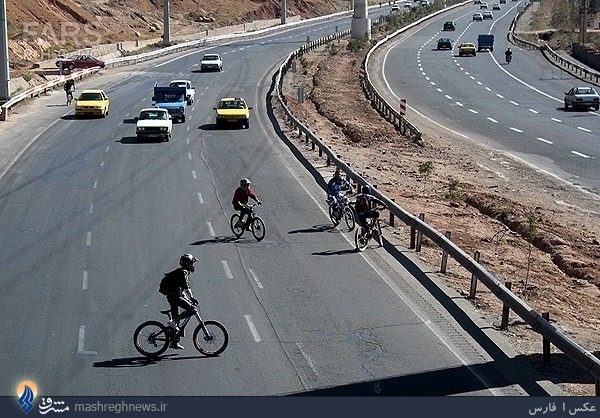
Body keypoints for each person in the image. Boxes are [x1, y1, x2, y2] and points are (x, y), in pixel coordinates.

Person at [159, 254, 199, 350]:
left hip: (173, 295)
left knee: (175, 320)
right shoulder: (183, 272)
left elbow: (180, 287)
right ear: (188, 264)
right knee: (192, 310)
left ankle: (173, 342)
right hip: (174, 296)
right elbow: (186, 287)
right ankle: (174, 321)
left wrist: (187, 299)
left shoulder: (181, 272)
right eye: (192, 263)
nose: (193, 265)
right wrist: (192, 298)